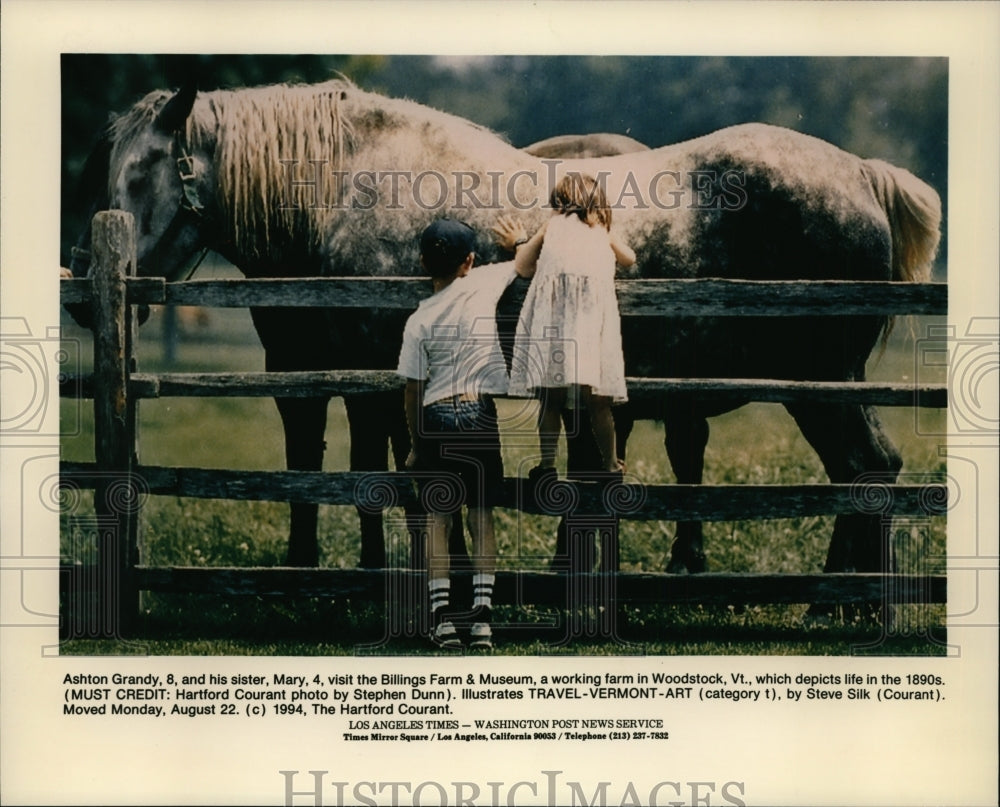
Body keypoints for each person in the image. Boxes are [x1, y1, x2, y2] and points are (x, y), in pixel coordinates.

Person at [397, 218, 534, 650]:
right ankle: (481, 620)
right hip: (477, 413)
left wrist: (418, 449)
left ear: (422, 262)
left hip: (436, 416)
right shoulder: (483, 283)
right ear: (469, 261)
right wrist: (519, 242)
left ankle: (441, 619)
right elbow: (527, 263)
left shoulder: (417, 321)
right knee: (481, 515)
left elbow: (412, 393)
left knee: (438, 518)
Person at [507, 173, 636, 482]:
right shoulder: (603, 231)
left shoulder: (551, 226)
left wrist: (520, 242)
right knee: (599, 402)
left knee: (551, 400)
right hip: (592, 329)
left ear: (560, 204)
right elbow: (630, 260)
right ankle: (610, 465)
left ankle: (547, 464)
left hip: (554, 328)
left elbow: (523, 266)